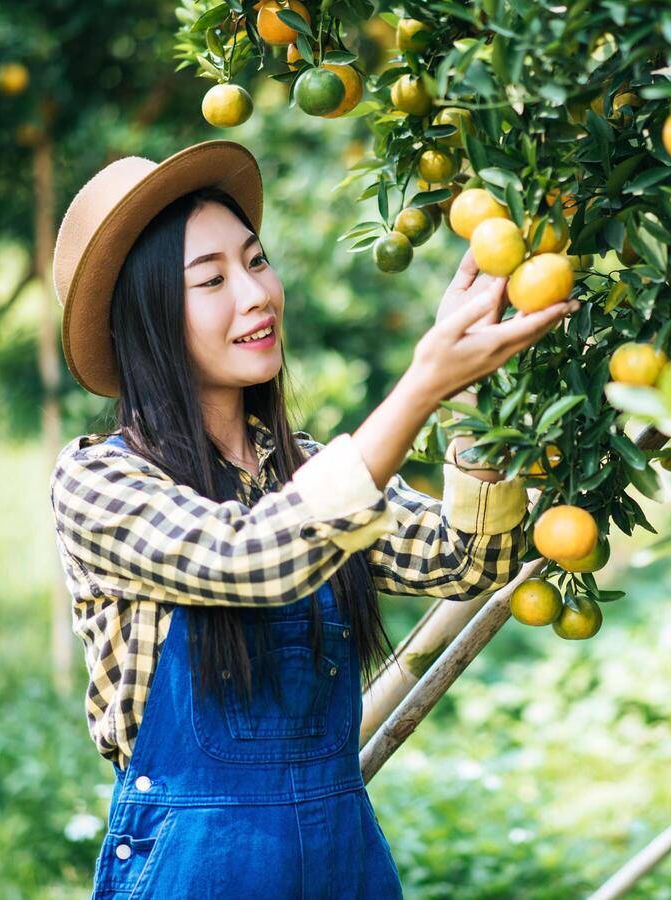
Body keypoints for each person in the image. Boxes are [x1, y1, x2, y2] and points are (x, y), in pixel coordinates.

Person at [46, 139, 578, 898]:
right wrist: (419, 385)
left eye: (256, 261)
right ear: (149, 320)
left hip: (341, 866)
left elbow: (468, 560)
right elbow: (250, 560)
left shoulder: (306, 470)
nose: (255, 294)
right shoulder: (100, 478)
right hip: (197, 872)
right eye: (211, 280)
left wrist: (468, 409)